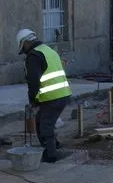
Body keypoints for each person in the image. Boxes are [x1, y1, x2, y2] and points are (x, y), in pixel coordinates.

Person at [16, 29, 73, 163]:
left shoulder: (33, 56)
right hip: (62, 93)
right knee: (41, 120)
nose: (23, 50)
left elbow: (33, 81)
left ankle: (50, 155)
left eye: (22, 46)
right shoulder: (47, 50)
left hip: (53, 96)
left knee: (45, 125)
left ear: (26, 43)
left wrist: (33, 99)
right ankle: (54, 145)